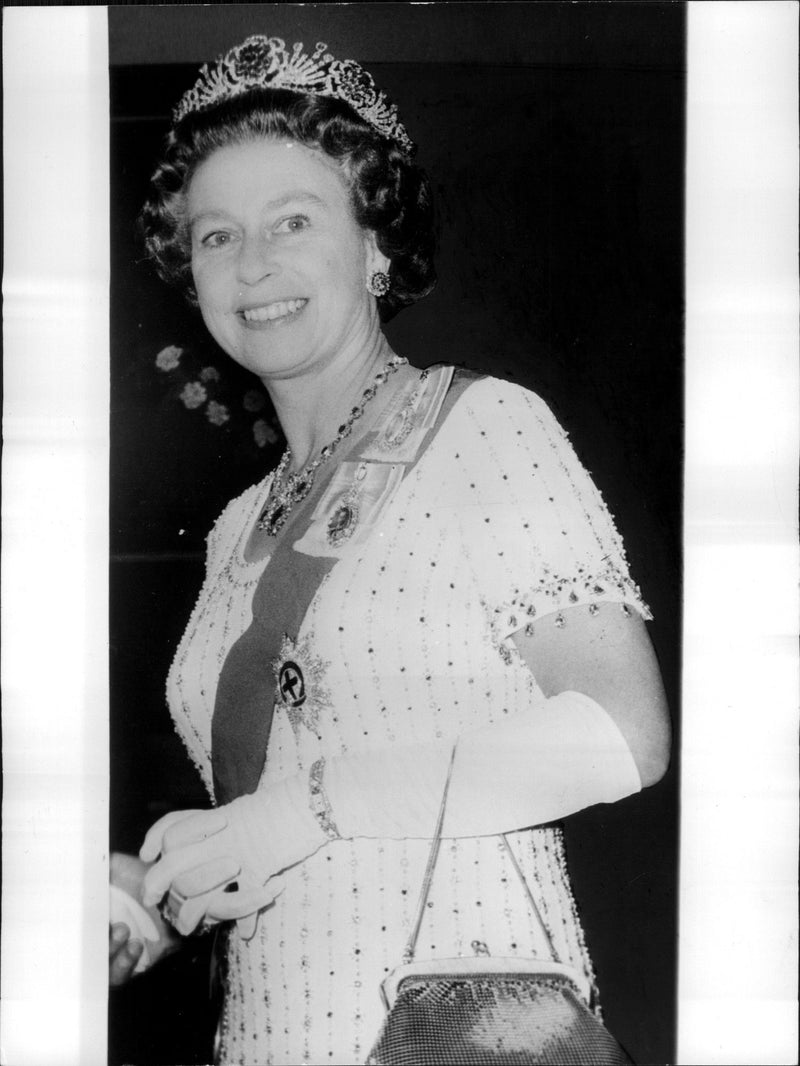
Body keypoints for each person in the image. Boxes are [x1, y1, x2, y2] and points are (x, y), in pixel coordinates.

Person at [109, 34, 671, 1065]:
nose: (254, 263)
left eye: (293, 220)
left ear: (373, 245)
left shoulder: (483, 428)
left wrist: (306, 808)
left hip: (457, 1024)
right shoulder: (237, 525)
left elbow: (620, 734)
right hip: (272, 1031)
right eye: (216, 237)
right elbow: (272, 825)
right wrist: (156, 891)